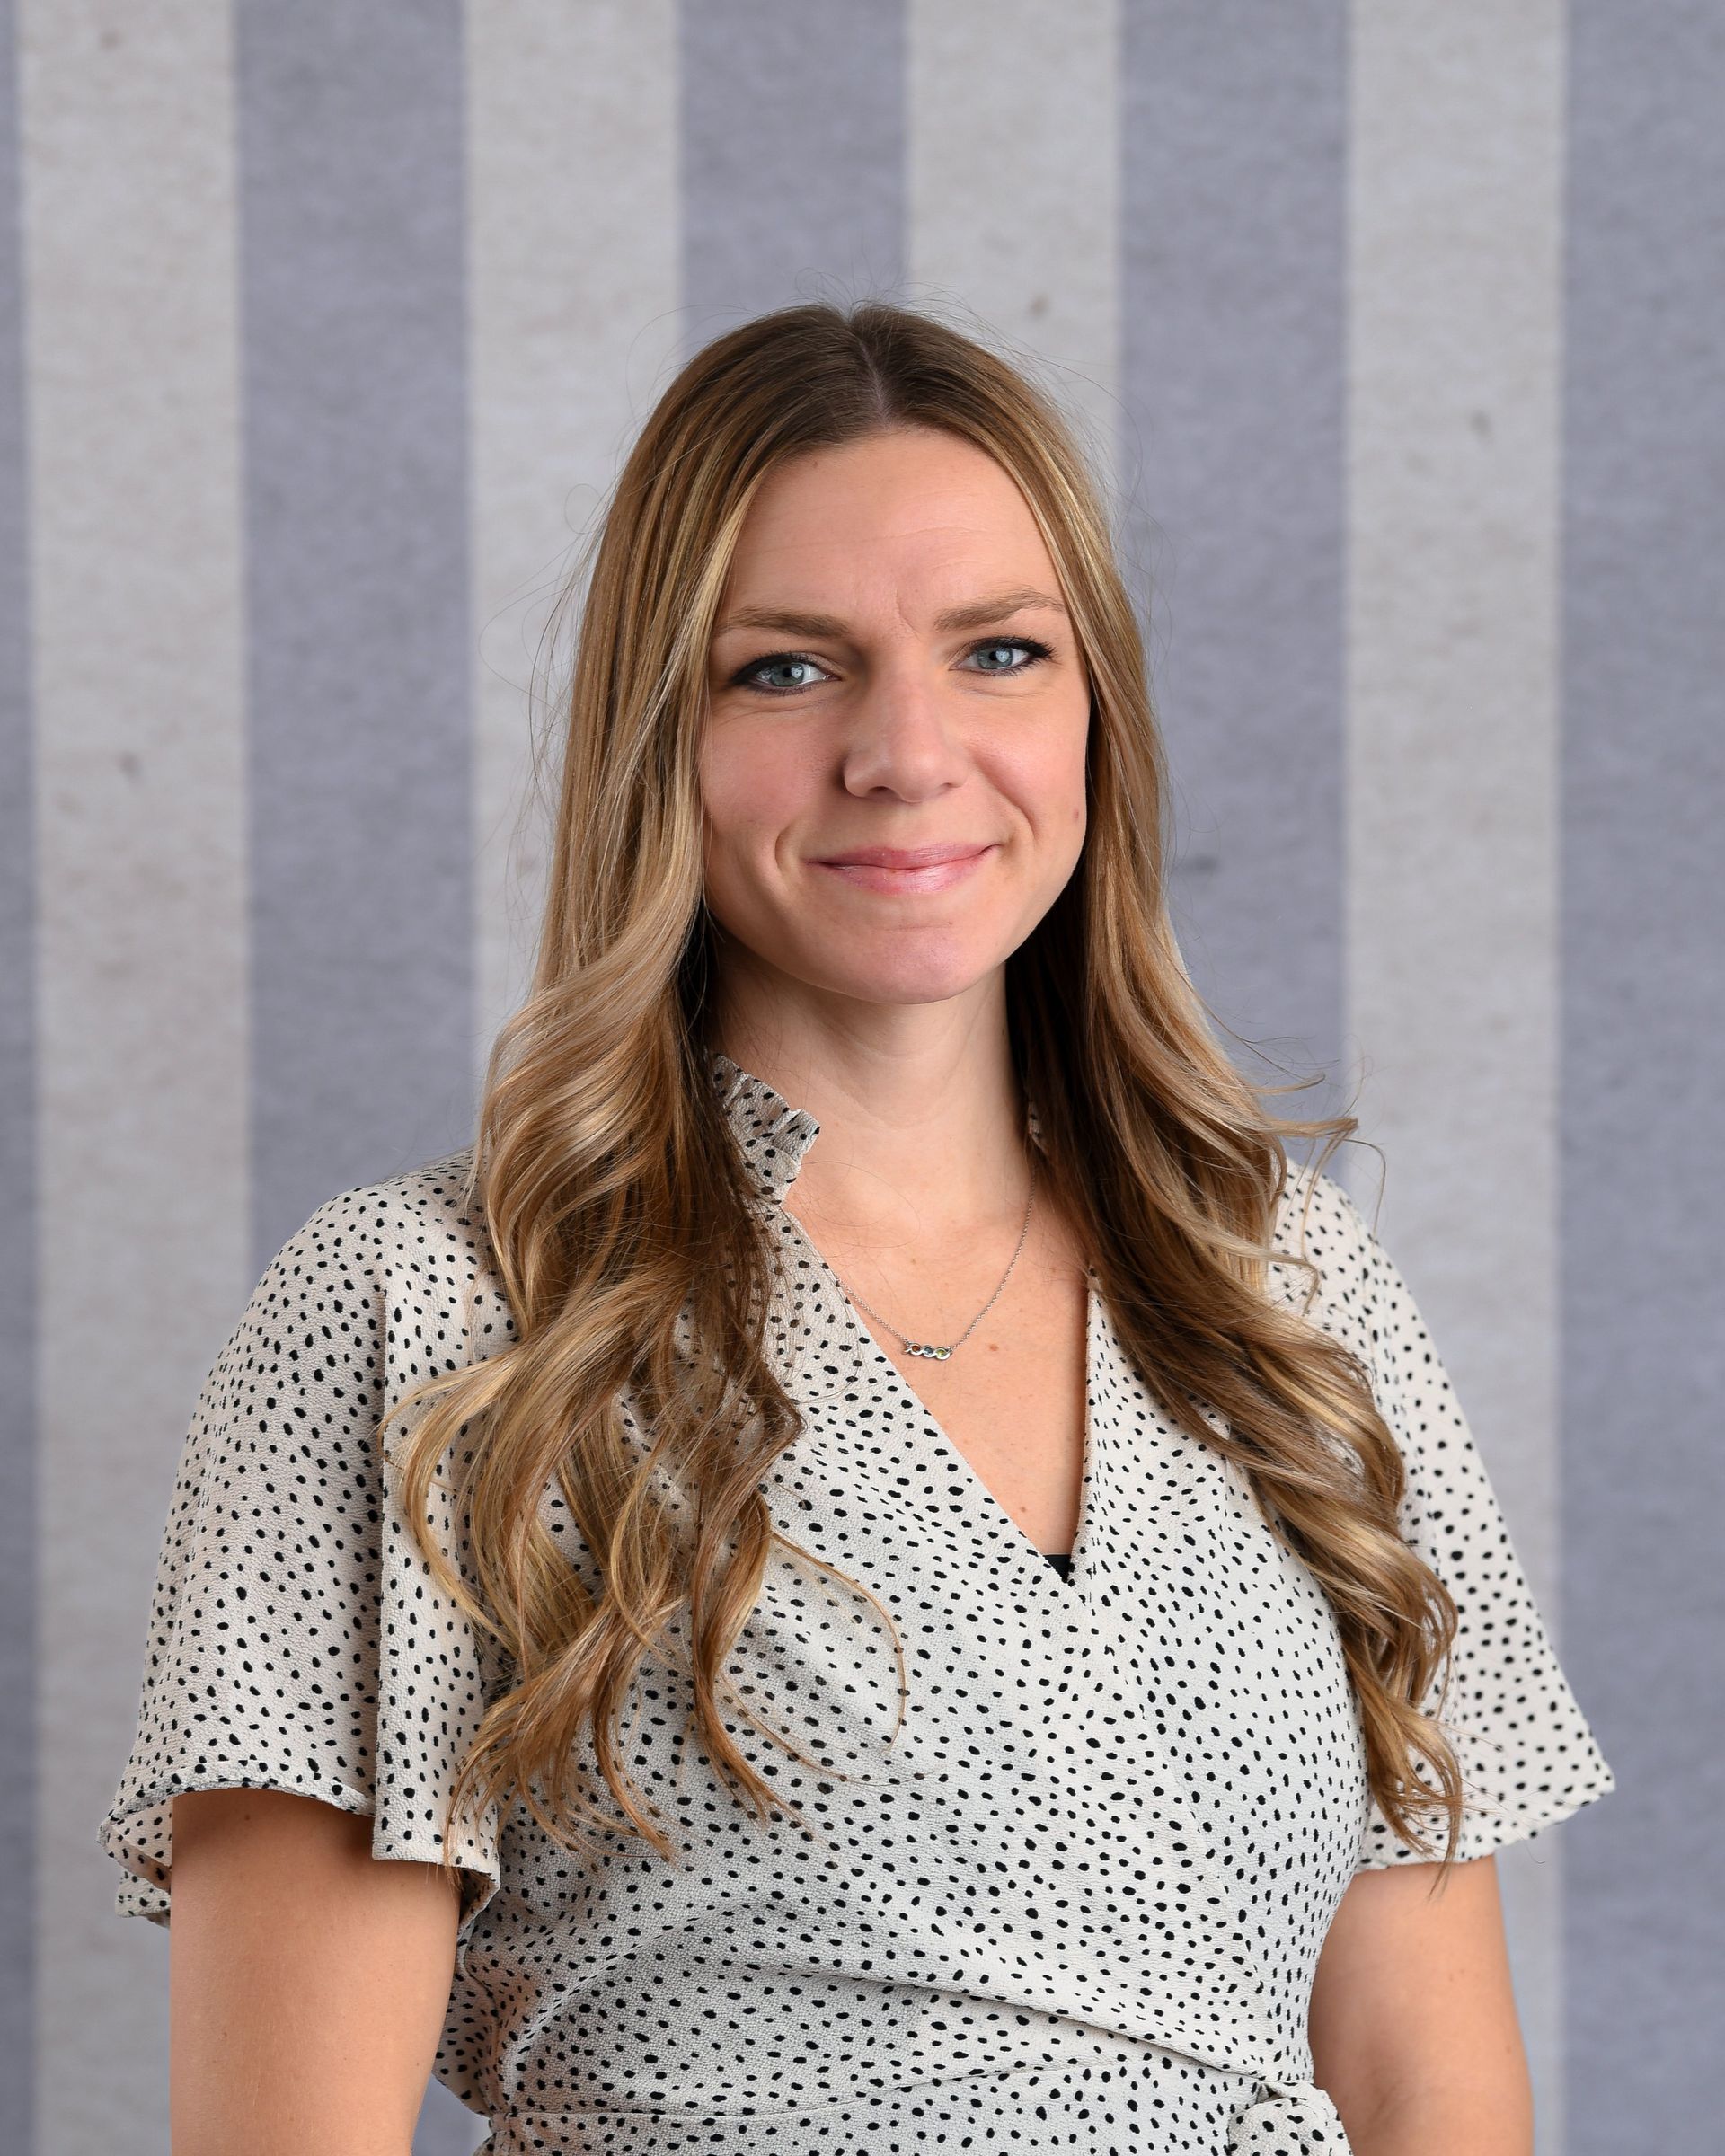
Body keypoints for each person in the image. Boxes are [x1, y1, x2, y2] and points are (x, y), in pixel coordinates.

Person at [97, 300, 1614, 2155]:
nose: (908, 750)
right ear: (661, 731)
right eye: (788, 671)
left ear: (1096, 714)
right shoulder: (431, 1313)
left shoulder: (1279, 1289)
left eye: (997, 651)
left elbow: (1430, 2091)